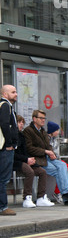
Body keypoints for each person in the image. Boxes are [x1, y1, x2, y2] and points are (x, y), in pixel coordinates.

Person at [23, 110, 68, 206]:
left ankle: (67, 194)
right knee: (56, 170)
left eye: (44, 118)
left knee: (62, 165)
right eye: (41, 118)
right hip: (38, 159)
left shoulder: (42, 131)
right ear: (34, 119)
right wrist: (45, 151)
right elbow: (29, 148)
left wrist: (51, 152)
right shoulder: (28, 131)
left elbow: (48, 145)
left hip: (47, 157)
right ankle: (65, 196)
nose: (43, 120)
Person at [13, 115, 49, 208]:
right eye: (19, 122)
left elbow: (25, 151)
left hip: (25, 160)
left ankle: (41, 197)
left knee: (42, 172)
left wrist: (30, 159)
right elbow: (13, 154)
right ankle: (27, 197)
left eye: (22, 123)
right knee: (30, 172)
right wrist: (26, 159)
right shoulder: (13, 135)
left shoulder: (21, 135)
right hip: (16, 162)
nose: (21, 125)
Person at [0, 85, 18, 216]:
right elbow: (5, 124)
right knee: (4, 179)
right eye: (13, 92)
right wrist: (9, 143)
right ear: (5, 94)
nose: (16, 94)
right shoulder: (5, 105)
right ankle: (3, 206)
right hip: (5, 148)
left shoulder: (5, 105)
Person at [47, 121, 68, 202]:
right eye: (57, 130)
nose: (58, 132)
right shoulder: (48, 139)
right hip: (51, 159)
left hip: (57, 159)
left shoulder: (55, 139)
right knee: (61, 170)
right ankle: (59, 192)